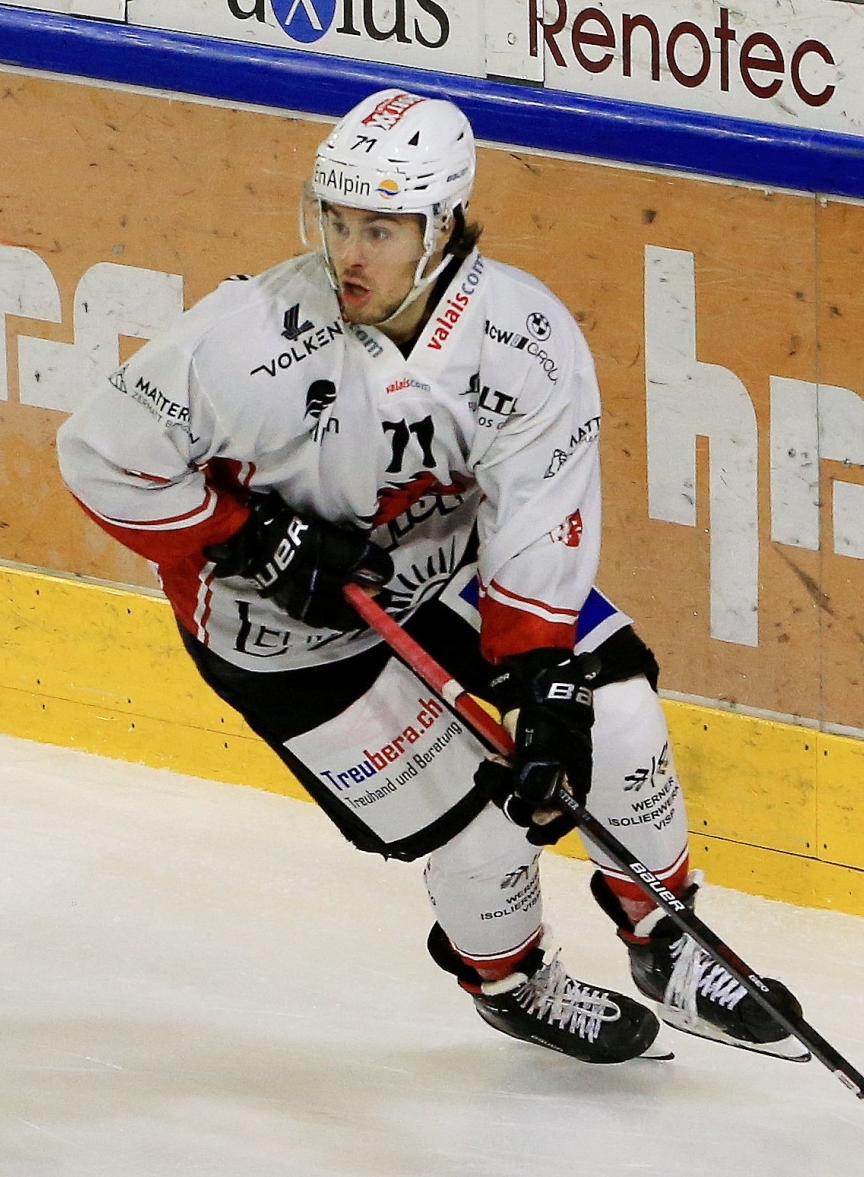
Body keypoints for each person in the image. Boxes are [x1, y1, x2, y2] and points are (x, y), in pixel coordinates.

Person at [57, 88, 801, 1065]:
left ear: (441, 224)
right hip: (281, 632)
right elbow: (102, 456)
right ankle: (511, 982)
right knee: (480, 823)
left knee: (609, 716)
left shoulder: (523, 338)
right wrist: (248, 539)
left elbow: (537, 509)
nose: (349, 251)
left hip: (437, 570)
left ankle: (667, 938)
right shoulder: (245, 338)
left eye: (380, 227)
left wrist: (542, 682)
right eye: (336, 221)